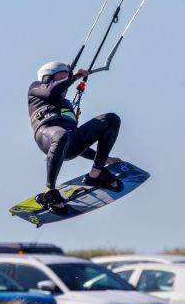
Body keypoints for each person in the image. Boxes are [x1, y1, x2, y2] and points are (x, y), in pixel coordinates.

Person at [27, 61, 123, 213]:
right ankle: (49, 190)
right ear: (47, 78)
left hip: (68, 141)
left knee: (111, 119)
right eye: (62, 79)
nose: (66, 84)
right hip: (46, 135)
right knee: (61, 134)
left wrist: (105, 159)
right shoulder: (36, 88)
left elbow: (76, 143)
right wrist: (74, 76)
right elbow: (51, 92)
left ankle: (96, 173)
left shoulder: (67, 104)